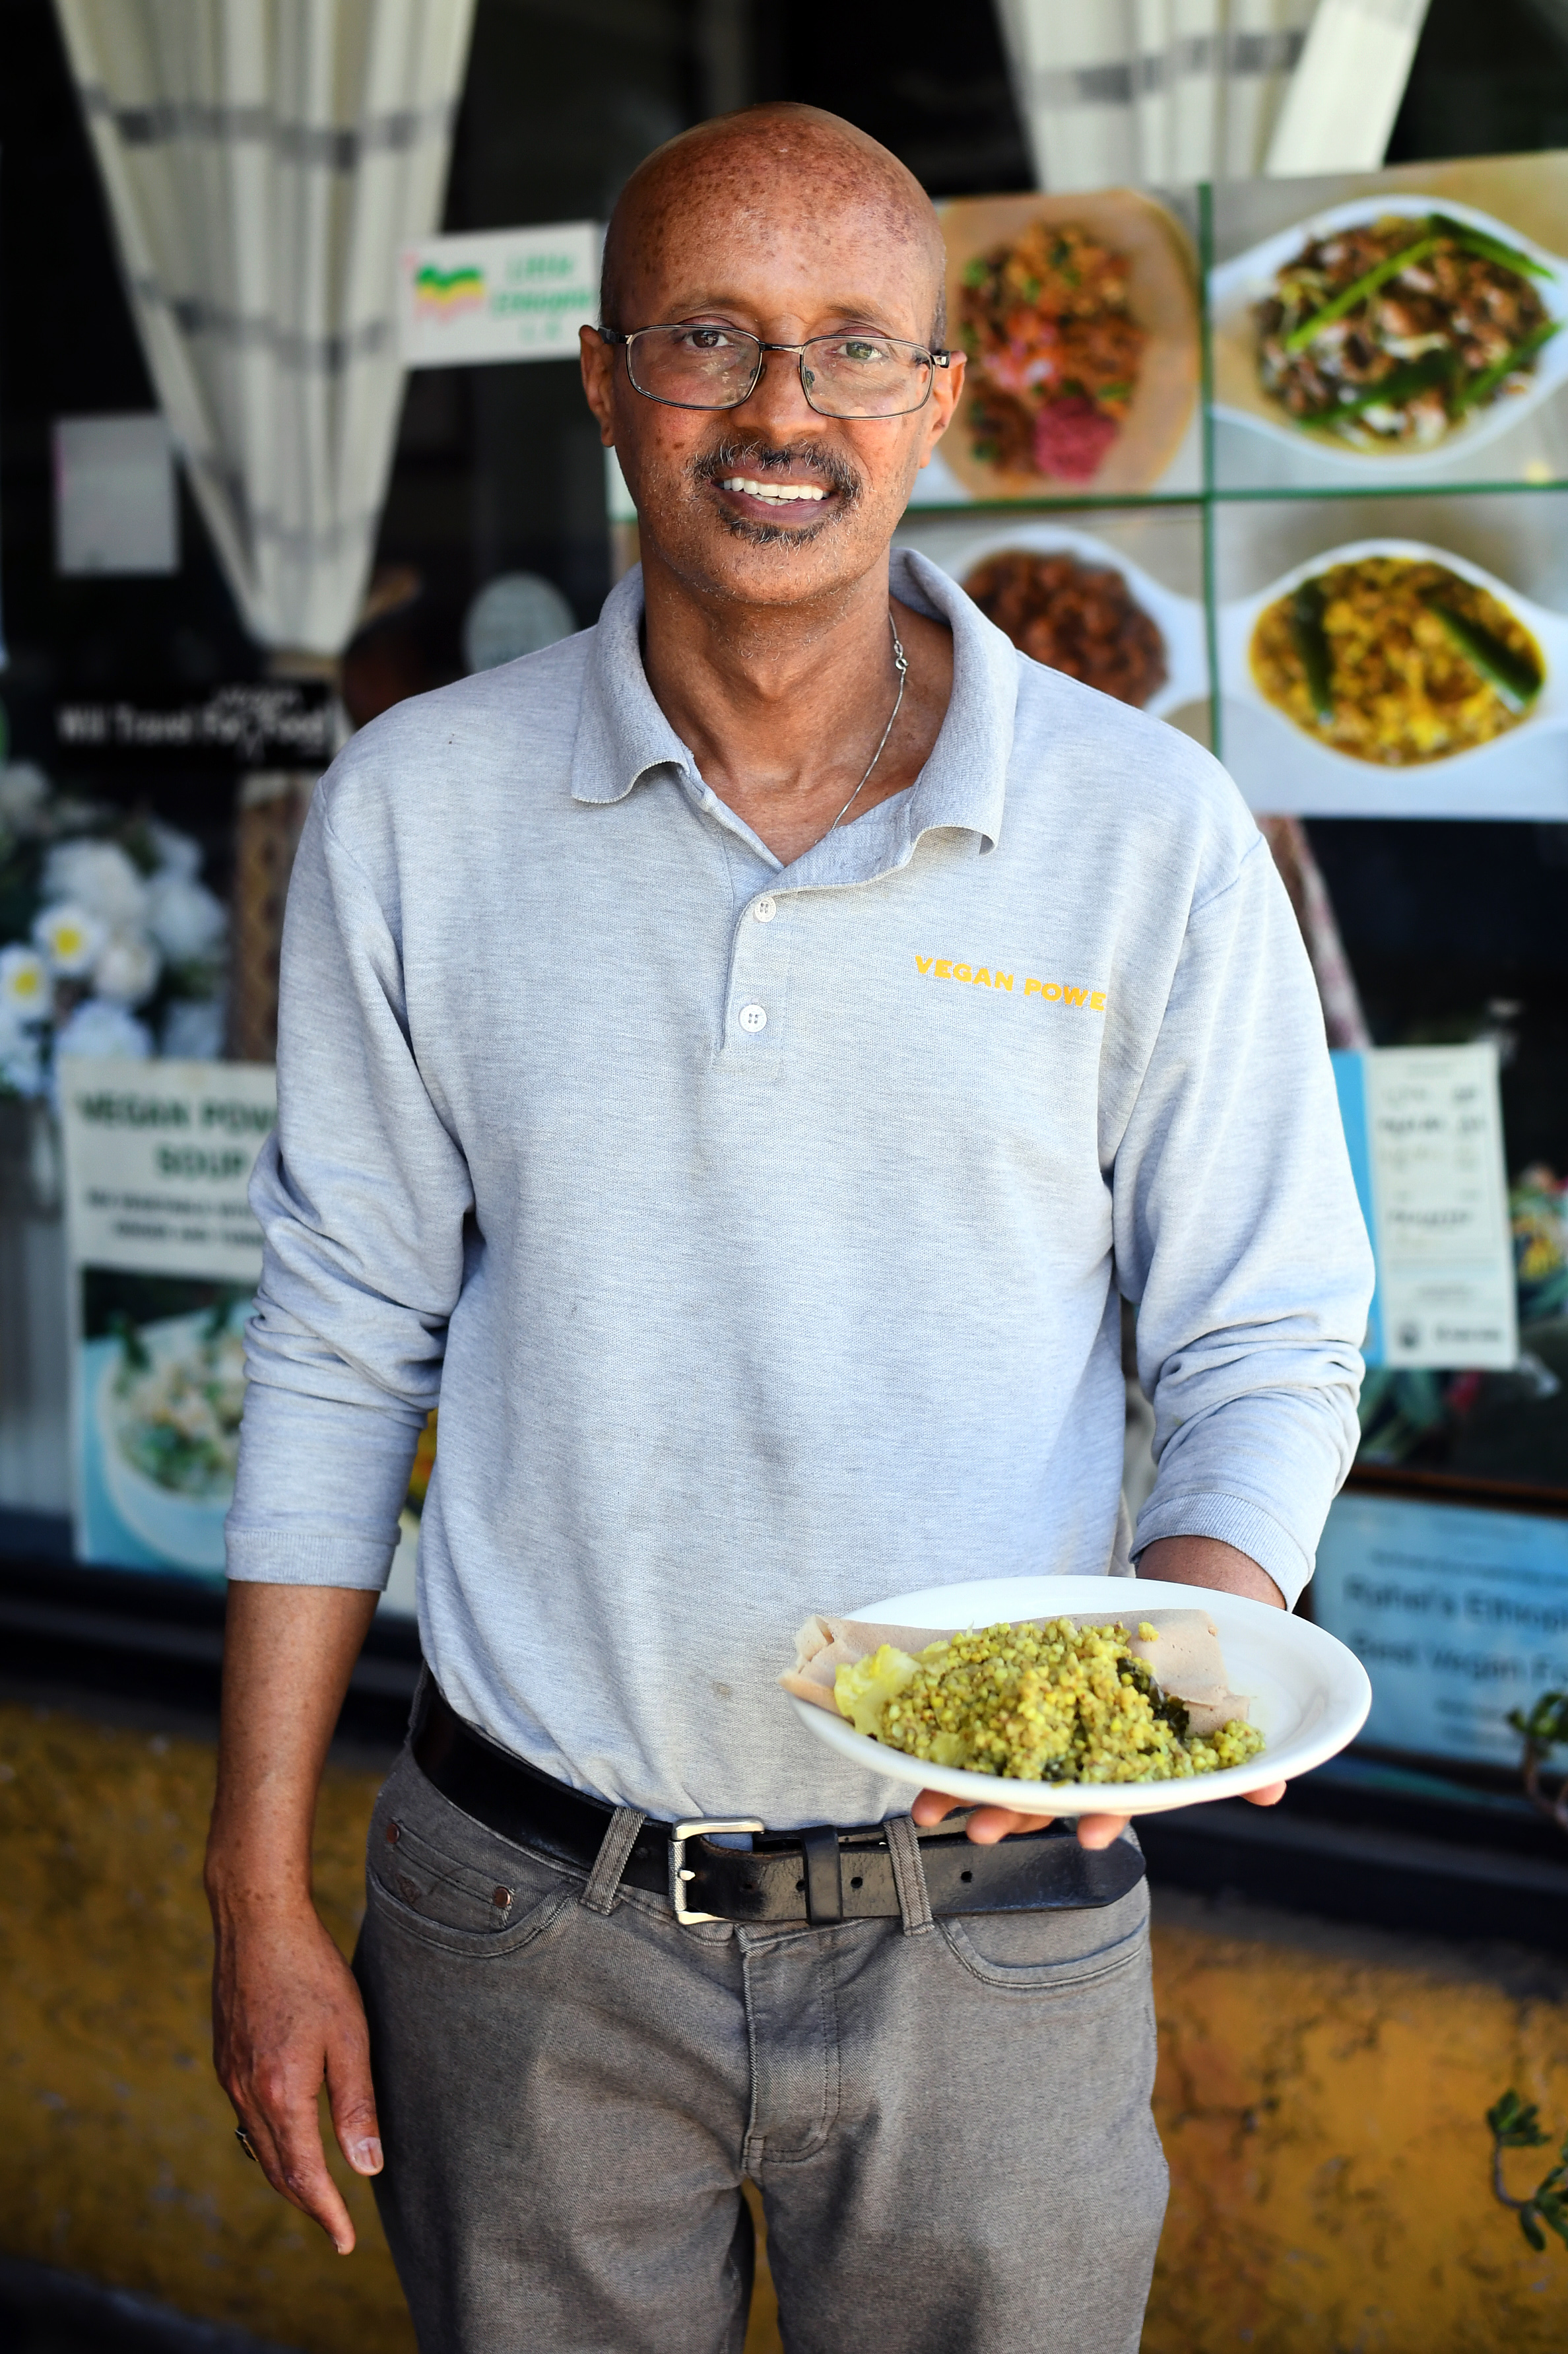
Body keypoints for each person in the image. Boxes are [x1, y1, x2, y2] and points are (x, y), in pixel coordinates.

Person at [206, 104, 1373, 2354]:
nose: (781, 414)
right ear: (600, 374)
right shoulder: (419, 813)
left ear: (944, 397)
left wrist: (1164, 1681)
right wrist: (256, 1886)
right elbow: (335, 1344)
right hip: (521, 1913)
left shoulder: (1148, 831)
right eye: (711, 339)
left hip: (999, 1921)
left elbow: (1267, 1336)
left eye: (855, 351)